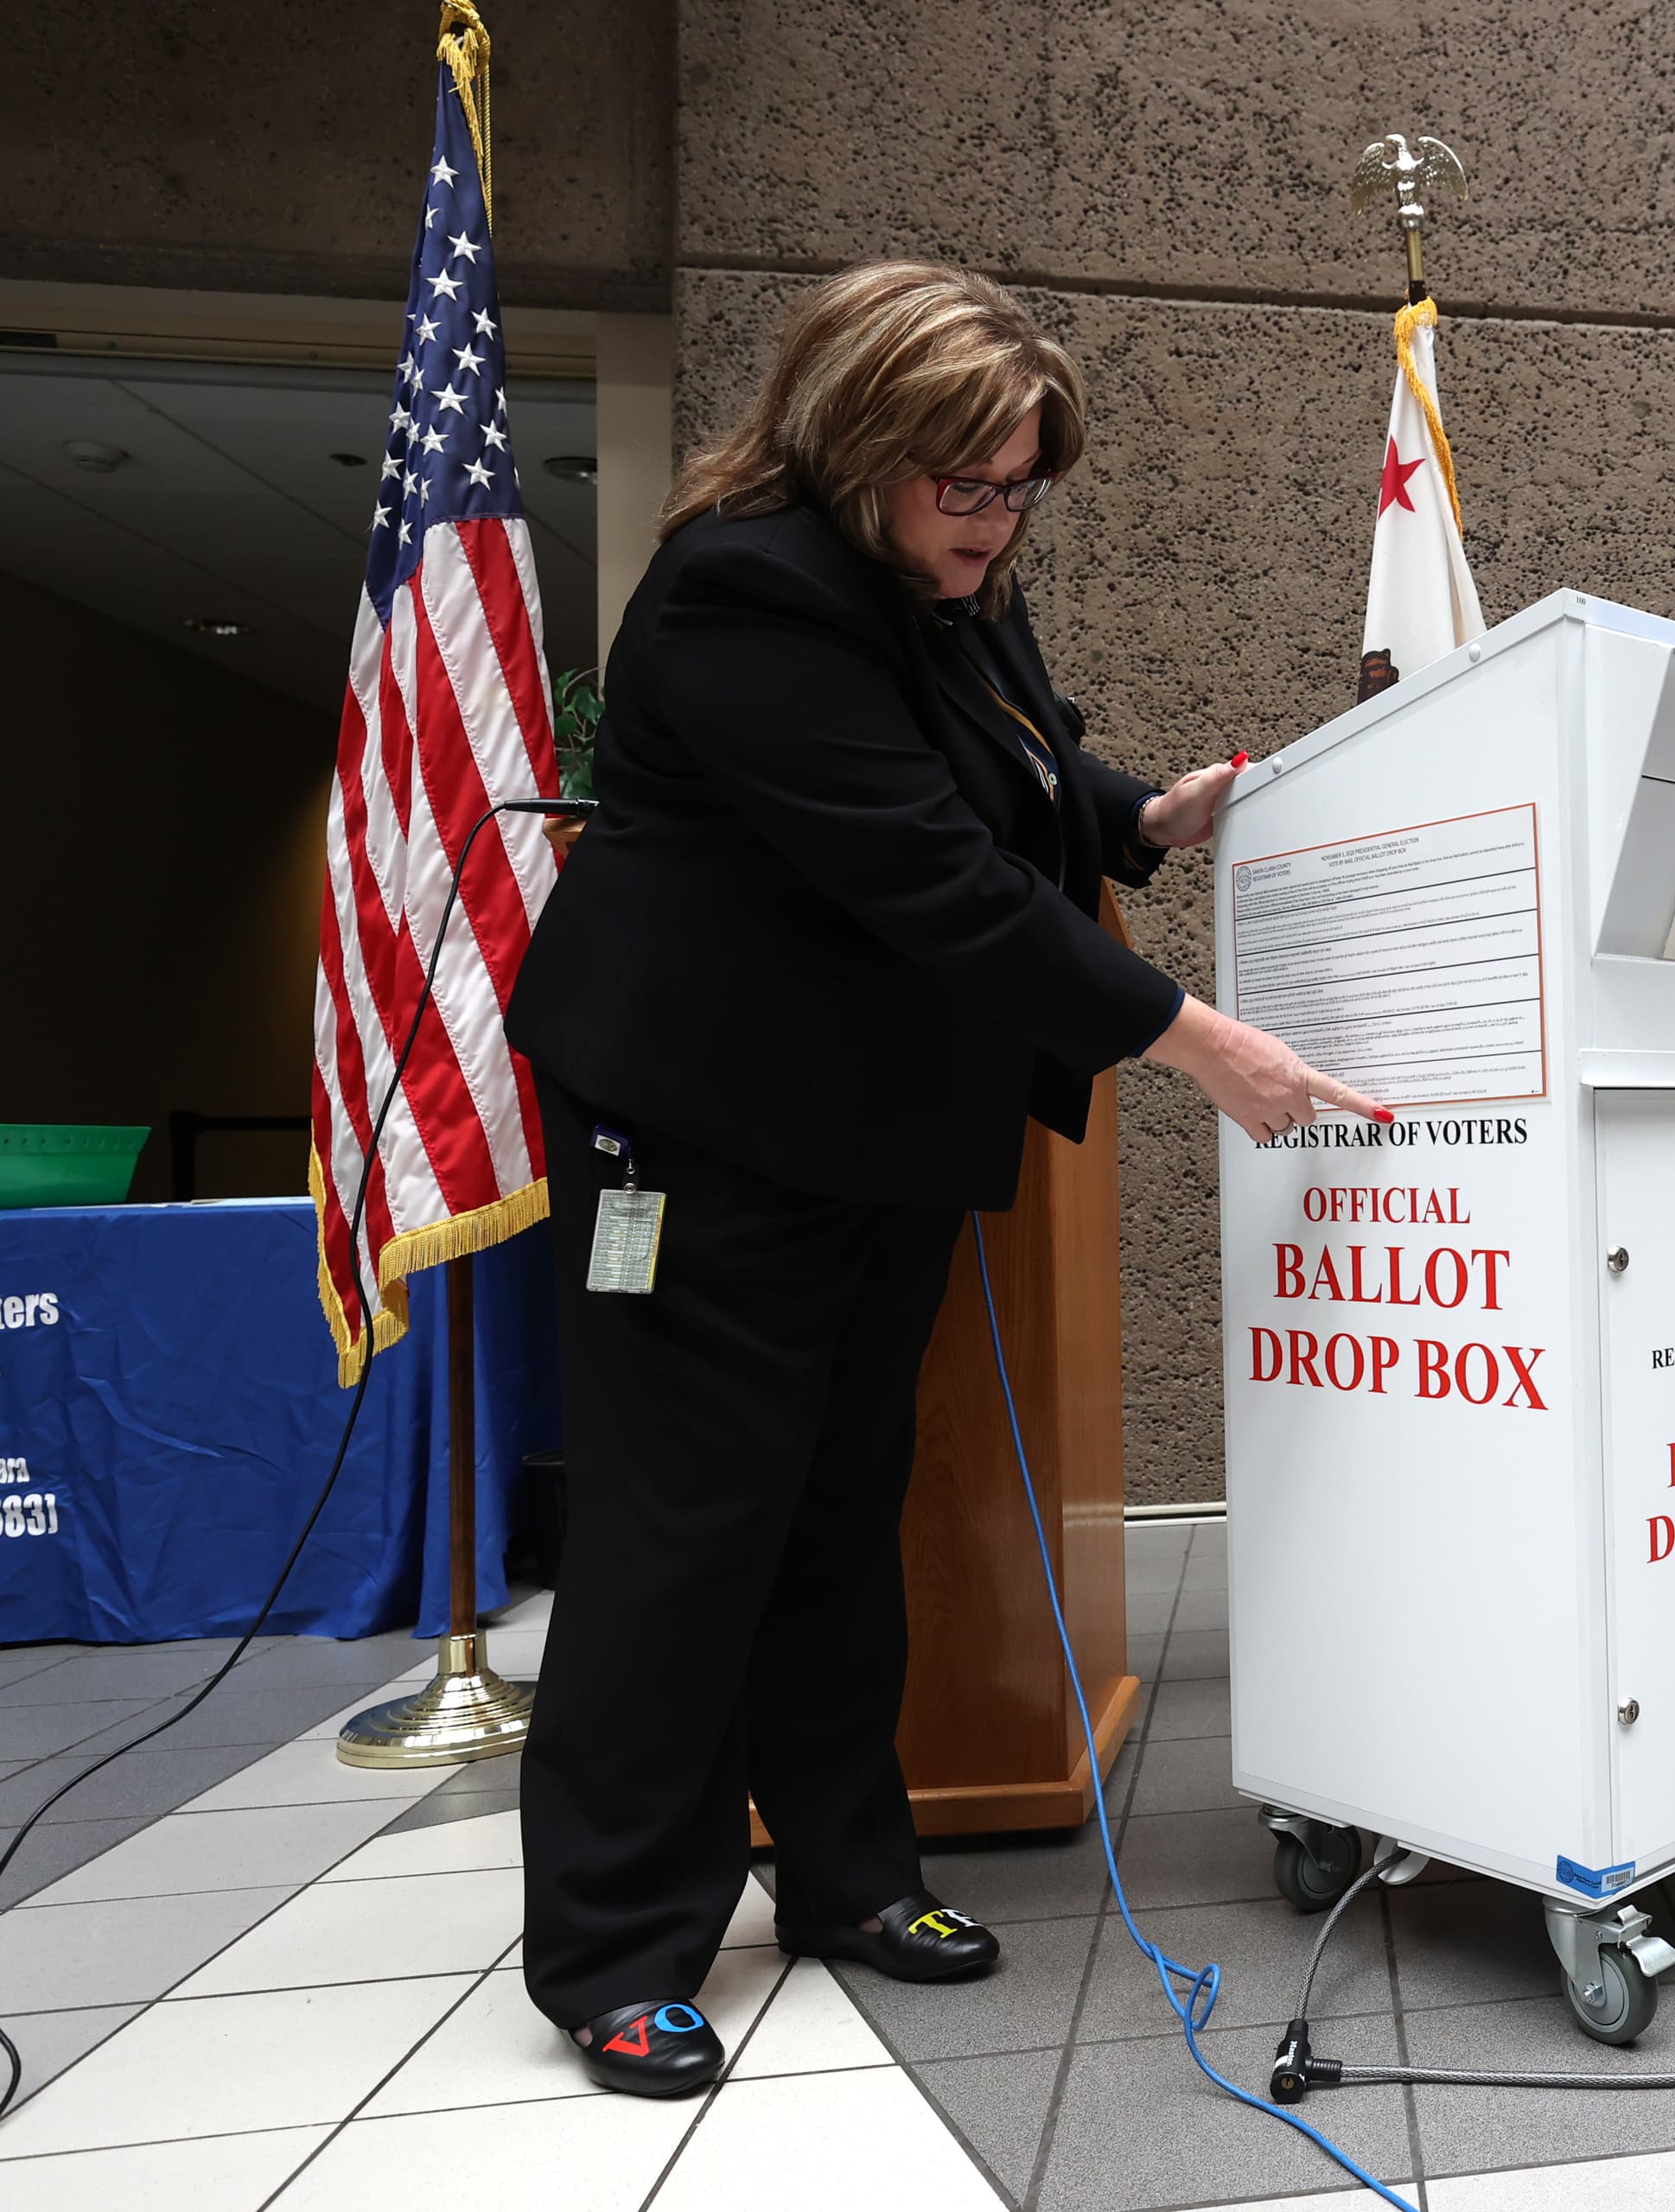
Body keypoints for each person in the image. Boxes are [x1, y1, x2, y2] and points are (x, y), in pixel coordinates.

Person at [505, 260, 1379, 2097]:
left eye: (1019, 487)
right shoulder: (746, 589)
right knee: (684, 1524)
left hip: (862, 1125)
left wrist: (1139, 810)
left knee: (839, 1501)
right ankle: (613, 1942)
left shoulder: (935, 568)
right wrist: (1196, 1039)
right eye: (964, 485)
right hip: (696, 1123)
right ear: (856, 443)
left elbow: (1010, 766)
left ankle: (844, 1871)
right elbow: (931, 872)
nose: (996, 520)